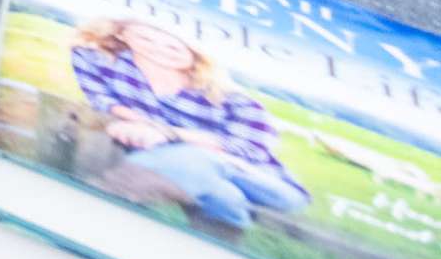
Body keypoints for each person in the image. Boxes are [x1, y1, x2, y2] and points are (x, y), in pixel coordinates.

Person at [70, 14, 316, 236]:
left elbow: (251, 150)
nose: (159, 49)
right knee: (223, 195)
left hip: (264, 183)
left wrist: (167, 134)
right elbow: (101, 98)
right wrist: (138, 124)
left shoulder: (232, 99)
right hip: (198, 178)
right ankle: (219, 247)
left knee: (191, 156)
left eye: (173, 45)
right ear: (124, 35)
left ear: (194, 51)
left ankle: (99, 204)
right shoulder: (101, 61)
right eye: (145, 38)